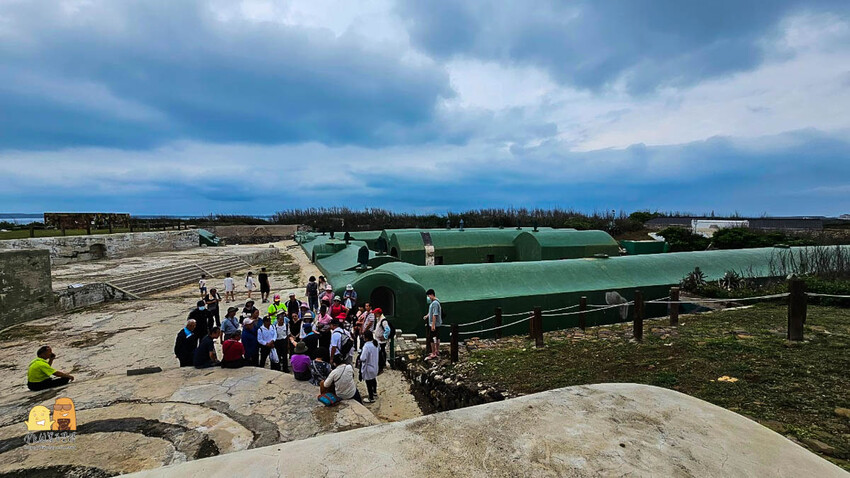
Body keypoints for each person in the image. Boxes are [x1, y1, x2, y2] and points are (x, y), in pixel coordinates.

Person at [359, 330, 379, 403]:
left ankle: (371, 398)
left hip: (368, 367)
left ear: (366, 338)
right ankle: (375, 392)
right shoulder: (375, 343)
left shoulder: (366, 346)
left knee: (368, 383)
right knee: (373, 379)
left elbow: (363, 358)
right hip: (375, 366)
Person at [424, 289, 442, 360]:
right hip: (435, 323)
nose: (429, 297)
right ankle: (436, 350)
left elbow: (435, 314)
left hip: (434, 324)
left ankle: (433, 352)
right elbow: (431, 312)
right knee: (436, 337)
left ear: (431, 295)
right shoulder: (435, 302)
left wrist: (433, 324)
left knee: (432, 338)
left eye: (429, 296)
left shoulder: (435, 303)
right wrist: (427, 316)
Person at [373, 308, 390, 373]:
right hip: (378, 339)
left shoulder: (383, 320)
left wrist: (384, 336)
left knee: (381, 352)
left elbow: (387, 329)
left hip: (381, 340)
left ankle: (382, 364)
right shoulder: (379, 319)